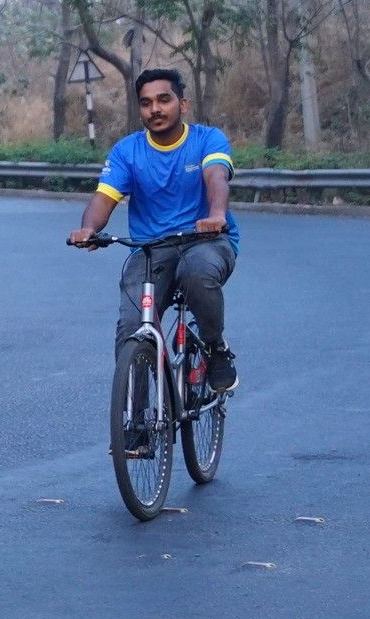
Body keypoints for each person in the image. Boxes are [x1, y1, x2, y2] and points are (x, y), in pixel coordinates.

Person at [64, 66, 240, 402]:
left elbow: (216, 177)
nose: (155, 109)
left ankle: (216, 348)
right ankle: (137, 417)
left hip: (205, 240)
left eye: (164, 100)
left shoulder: (207, 139)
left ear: (182, 104)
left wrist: (216, 216)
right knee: (132, 324)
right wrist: (89, 228)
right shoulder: (127, 152)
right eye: (146, 103)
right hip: (152, 250)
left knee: (196, 272)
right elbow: (104, 197)